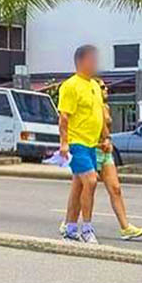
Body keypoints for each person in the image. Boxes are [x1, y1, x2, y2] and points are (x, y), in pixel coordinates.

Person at [58, 45, 104, 244]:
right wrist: (64, 143)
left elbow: (99, 114)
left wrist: (105, 139)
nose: (95, 64)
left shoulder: (94, 85)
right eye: (92, 60)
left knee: (78, 186)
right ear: (81, 61)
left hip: (92, 143)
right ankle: (86, 227)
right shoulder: (70, 85)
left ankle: (70, 226)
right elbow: (64, 117)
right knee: (91, 181)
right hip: (77, 143)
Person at [94, 80, 142, 240]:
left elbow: (106, 129)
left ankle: (125, 227)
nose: (106, 89)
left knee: (115, 188)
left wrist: (107, 140)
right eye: (102, 87)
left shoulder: (106, 107)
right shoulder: (90, 107)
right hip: (91, 150)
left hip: (105, 151)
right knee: (85, 188)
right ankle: (70, 221)